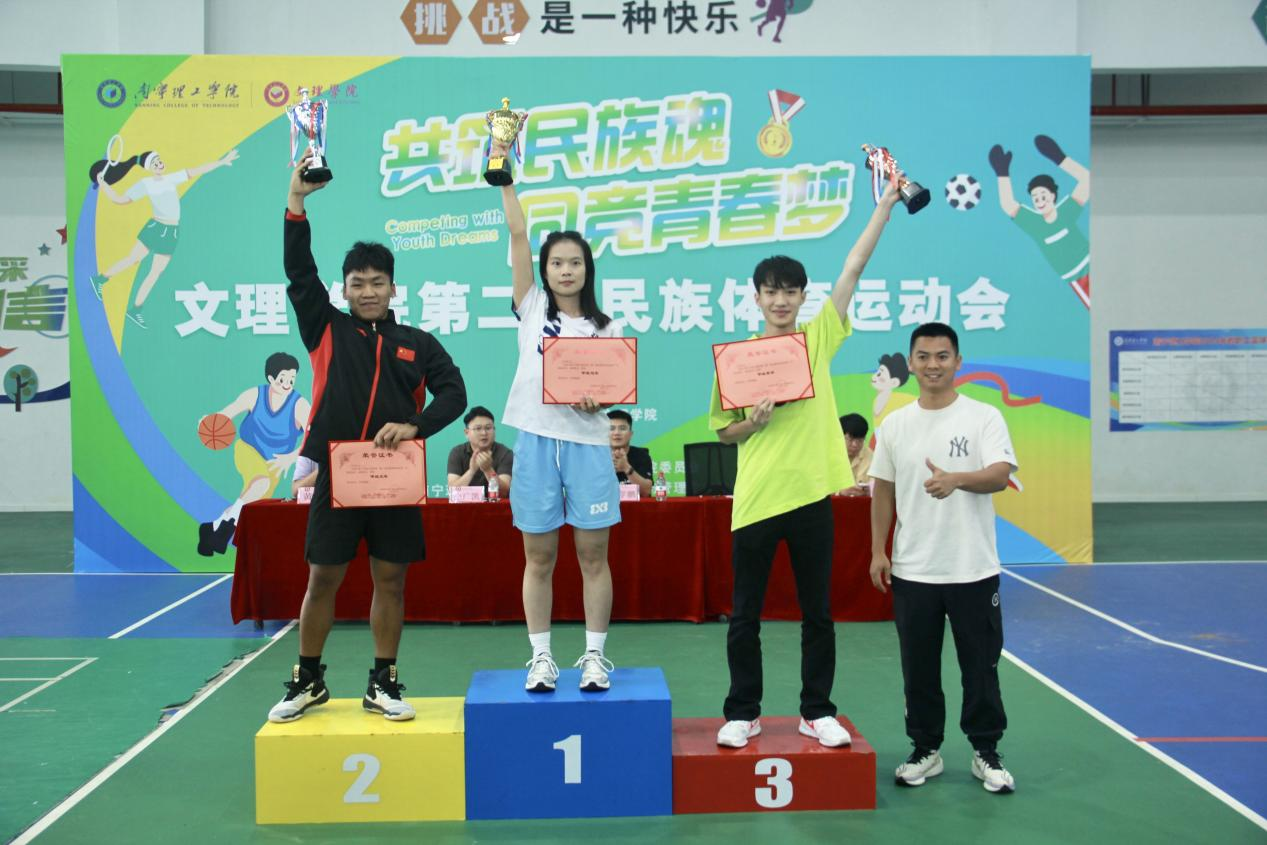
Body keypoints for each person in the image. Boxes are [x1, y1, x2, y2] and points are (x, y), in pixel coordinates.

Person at [268, 149, 467, 724]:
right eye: (358, 283)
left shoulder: (418, 343)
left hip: (394, 478)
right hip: (339, 474)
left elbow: (453, 393)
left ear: (393, 287)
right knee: (322, 579)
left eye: (378, 282)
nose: (369, 291)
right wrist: (296, 202)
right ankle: (308, 679)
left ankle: (384, 681)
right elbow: (299, 272)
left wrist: (415, 426)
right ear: (346, 289)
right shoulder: (326, 328)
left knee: (391, 580)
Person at [710, 178, 902, 749]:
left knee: (817, 613)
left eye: (790, 292)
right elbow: (724, 432)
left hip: (813, 496)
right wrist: (753, 423)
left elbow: (853, 268)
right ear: (756, 297)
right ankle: (742, 712)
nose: (781, 300)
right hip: (756, 499)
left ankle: (816, 711)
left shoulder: (817, 340)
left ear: (801, 296)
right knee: (745, 615)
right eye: (771, 292)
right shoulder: (737, 360)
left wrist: (885, 205)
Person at [494, 139, 622, 694]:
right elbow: (518, 233)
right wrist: (505, 176)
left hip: (589, 444)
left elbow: (613, 389)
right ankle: (541, 658)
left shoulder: (607, 327)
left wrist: (598, 400)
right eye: (556, 263)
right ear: (543, 271)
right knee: (538, 556)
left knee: (593, 556)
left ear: (587, 270)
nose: (565, 270)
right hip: (536, 441)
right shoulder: (533, 307)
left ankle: (594, 657)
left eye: (575, 262)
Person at [868, 321, 1018, 794]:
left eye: (942, 356)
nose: (933, 365)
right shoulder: (895, 424)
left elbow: (1000, 475)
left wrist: (957, 479)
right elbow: (882, 491)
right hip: (914, 570)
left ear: (957, 362)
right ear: (911, 364)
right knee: (919, 669)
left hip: (973, 569)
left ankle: (986, 751)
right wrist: (878, 550)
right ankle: (925, 749)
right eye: (924, 356)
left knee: (981, 667)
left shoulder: (983, 417)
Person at [89, 145, 239, 327]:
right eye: (154, 163)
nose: (159, 164)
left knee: (155, 273)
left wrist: (222, 162)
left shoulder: (172, 178)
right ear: (148, 168)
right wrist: (103, 184)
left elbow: (198, 170)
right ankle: (100, 279)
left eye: (159, 160)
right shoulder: (146, 184)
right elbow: (120, 200)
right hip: (156, 228)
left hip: (172, 232)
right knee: (133, 259)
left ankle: (135, 309)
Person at [198, 351, 310, 556]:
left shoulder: (300, 405)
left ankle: (213, 527)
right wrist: (208, 422)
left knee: (250, 499)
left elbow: (312, 437)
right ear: (271, 378)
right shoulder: (255, 395)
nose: (287, 384)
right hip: (248, 449)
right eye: (282, 379)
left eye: (292, 379)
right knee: (260, 484)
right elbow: (227, 413)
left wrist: (290, 458)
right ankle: (226, 530)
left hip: (275, 462)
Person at [989, 134, 1090, 308]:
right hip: (1077, 277)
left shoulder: (1067, 211)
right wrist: (1002, 173)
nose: (1040, 201)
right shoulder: (1035, 224)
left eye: (1043, 196)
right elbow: (1008, 204)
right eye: (1035, 198)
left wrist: (1059, 158)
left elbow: (1086, 180)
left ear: (1053, 195)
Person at [446, 406, 513, 497]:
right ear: (466, 433)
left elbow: (504, 493)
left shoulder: (505, 453)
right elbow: (453, 492)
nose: (484, 433)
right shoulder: (457, 452)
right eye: (478, 428)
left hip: (496, 505)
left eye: (488, 428)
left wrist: (488, 469)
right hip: (466, 505)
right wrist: (471, 471)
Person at [607, 409, 654, 497]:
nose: (616, 433)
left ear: (631, 434)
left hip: (634, 505)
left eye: (622, 428)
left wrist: (626, 468)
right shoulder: (596, 456)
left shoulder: (641, 455)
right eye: (611, 428)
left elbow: (646, 492)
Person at [838, 413, 871, 497]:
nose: (855, 445)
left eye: (860, 440)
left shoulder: (870, 456)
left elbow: (875, 486)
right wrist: (839, 492)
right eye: (850, 439)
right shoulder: (827, 455)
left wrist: (869, 492)